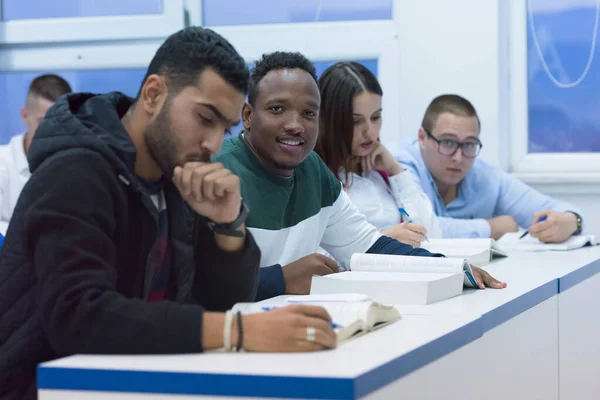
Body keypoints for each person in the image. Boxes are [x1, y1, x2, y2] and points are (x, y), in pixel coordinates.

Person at [0, 28, 338, 400]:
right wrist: (238, 331)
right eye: (204, 119)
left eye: (224, 128)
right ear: (153, 94)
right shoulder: (75, 173)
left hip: (141, 380)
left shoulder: (174, 175)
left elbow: (219, 301)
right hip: (45, 387)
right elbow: (78, 315)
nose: (213, 143)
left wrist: (228, 226)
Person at [215, 52, 505, 302]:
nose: (295, 125)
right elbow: (196, 285)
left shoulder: (313, 170)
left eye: (308, 113)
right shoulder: (218, 172)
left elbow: (370, 246)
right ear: (248, 115)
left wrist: (451, 268)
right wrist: (282, 279)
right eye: (277, 109)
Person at [396, 94, 584, 242]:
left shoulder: (485, 176)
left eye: (469, 144)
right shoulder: (398, 163)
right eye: (447, 142)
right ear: (422, 138)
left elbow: (555, 210)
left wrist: (570, 221)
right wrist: (493, 228)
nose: (459, 157)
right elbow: (416, 228)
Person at [315, 61, 442, 247]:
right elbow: (314, 260)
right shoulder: (316, 179)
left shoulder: (380, 172)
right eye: (356, 121)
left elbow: (433, 236)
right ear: (330, 121)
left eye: (376, 117)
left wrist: (396, 171)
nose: (370, 132)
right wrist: (382, 242)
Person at [0, 74, 72, 234]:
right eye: (44, 121)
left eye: (61, 120)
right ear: (25, 115)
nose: (53, 129)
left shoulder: (78, 165)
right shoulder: (2, 162)